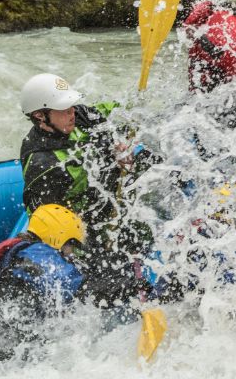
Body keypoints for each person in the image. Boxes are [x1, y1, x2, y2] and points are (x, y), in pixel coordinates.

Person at [0, 204, 148, 364]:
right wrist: (132, 285)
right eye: (71, 245)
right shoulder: (37, 255)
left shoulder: (19, 250)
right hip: (7, 354)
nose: (72, 254)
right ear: (58, 238)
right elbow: (80, 288)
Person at [18, 72, 158, 257]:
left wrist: (117, 141)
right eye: (63, 108)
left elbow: (114, 114)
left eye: (71, 106)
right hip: (85, 225)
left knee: (152, 159)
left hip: (110, 196)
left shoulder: (78, 116)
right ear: (40, 116)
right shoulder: (43, 165)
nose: (72, 113)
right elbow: (54, 224)